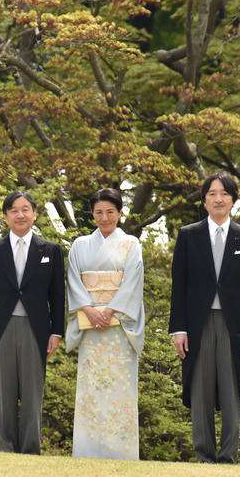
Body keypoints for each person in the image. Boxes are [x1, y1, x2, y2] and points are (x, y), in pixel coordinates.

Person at [169, 173, 240, 463]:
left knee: (232, 389)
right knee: (200, 390)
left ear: (233, 200)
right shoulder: (188, 235)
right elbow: (179, 286)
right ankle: (204, 454)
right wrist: (178, 329)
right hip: (197, 323)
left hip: (234, 325)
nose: (218, 199)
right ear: (204, 200)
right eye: (212, 193)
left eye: (224, 194)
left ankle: (228, 456)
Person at [0, 191, 65, 454]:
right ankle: (6, 447)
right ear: (5, 217)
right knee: (3, 393)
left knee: (33, 393)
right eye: (14, 210)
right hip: (0, 329)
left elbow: (57, 295)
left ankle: (30, 449)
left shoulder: (51, 251)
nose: (20, 214)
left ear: (34, 214)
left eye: (25, 209)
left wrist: (56, 331)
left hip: (36, 329)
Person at [64, 188, 145, 459]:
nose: (105, 217)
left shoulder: (131, 244)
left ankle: (120, 452)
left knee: (119, 389)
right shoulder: (80, 245)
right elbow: (74, 280)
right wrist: (89, 309)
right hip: (91, 327)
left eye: (110, 211)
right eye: (99, 212)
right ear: (92, 214)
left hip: (118, 328)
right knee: (91, 388)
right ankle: (88, 449)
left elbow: (132, 282)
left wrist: (109, 311)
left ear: (120, 213)